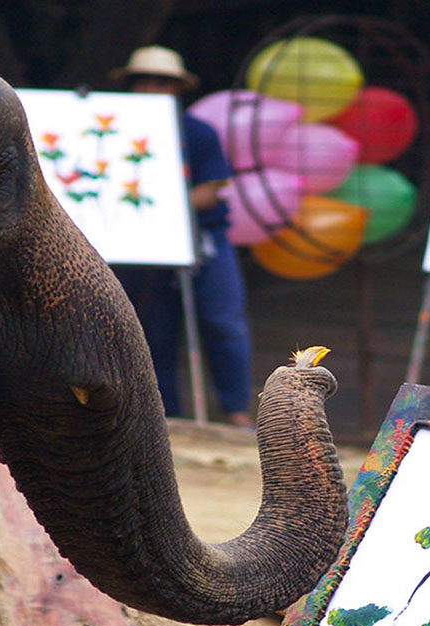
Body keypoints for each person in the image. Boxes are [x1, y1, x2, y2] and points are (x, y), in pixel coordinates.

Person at [109, 46, 253, 427]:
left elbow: (211, 190)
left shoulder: (197, 132)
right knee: (154, 331)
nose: (151, 89)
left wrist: (165, 207)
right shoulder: (113, 133)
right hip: (145, 246)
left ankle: (236, 411)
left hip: (204, 241)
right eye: (143, 81)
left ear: (177, 89)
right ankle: (167, 417)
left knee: (222, 322)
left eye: (162, 82)